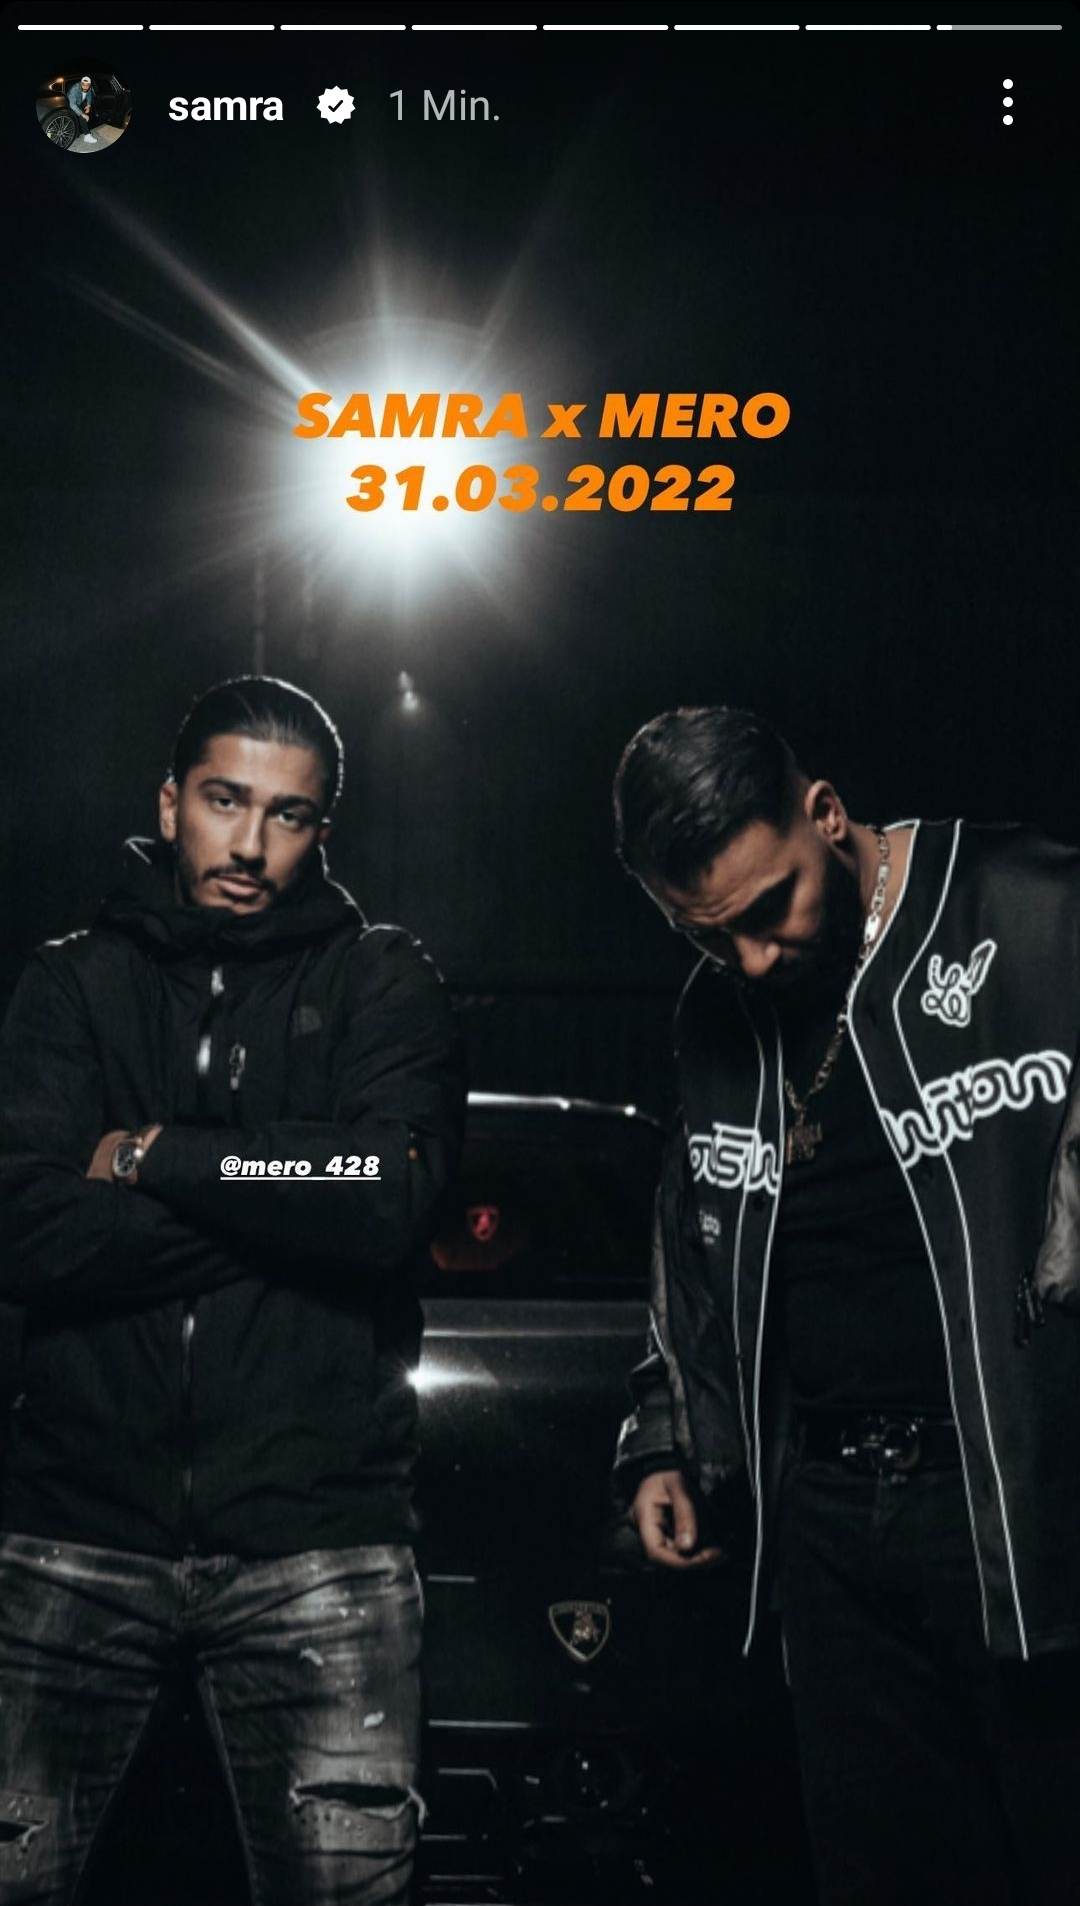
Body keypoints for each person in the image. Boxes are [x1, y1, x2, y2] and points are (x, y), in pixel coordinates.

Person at [0, 676, 465, 1906]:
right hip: (71, 1534)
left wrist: (155, 1159)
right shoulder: (71, 984)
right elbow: (24, 1225)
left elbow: (386, 1195)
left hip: (321, 1542)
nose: (251, 844)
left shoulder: (379, 979)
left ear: (322, 830)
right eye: (224, 801)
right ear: (170, 803)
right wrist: (289, 1209)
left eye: (288, 815)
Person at [611, 705, 1080, 1906]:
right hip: (825, 1518)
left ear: (824, 815)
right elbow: (691, 1218)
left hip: (1023, 1499)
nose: (753, 957)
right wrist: (664, 1427)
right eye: (706, 933)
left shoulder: (1031, 906)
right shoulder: (713, 1013)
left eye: (771, 907)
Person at [66, 74, 96, 145]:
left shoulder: (89, 88)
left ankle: (82, 126)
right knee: (82, 116)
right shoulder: (75, 89)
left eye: (87, 85)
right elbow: (72, 104)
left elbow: (89, 95)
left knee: (87, 111)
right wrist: (82, 114)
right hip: (70, 103)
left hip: (80, 102)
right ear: (81, 83)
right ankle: (87, 136)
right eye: (83, 85)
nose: (85, 87)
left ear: (89, 85)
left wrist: (88, 105)